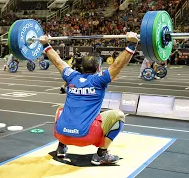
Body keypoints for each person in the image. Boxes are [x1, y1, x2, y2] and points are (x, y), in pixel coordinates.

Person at [39, 32, 139, 165]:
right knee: (119, 115)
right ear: (98, 68)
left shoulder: (71, 76)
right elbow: (117, 66)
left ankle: (61, 147)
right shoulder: (99, 80)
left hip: (62, 133)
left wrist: (45, 44)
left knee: (61, 109)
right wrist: (133, 44)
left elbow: (57, 62)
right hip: (86, 137)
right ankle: (101, 155)